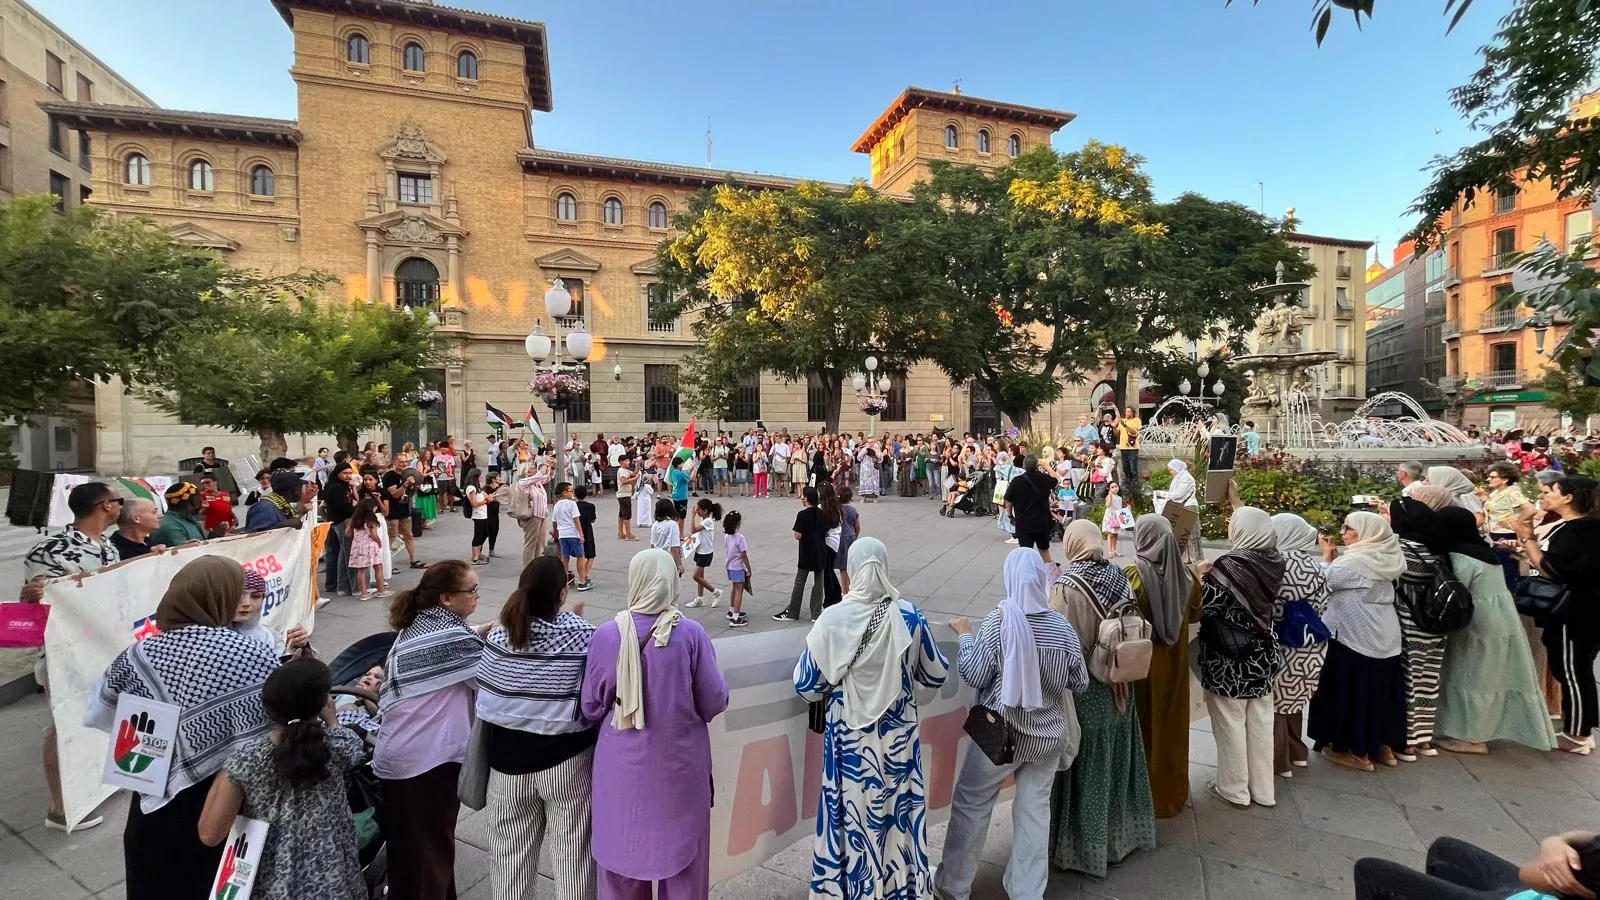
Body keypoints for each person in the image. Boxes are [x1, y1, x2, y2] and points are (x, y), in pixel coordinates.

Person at [84, 556, 278, 899]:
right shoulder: (248, 652)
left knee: (154, 883)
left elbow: (99, 711)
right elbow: (271, 729)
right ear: (221, 597)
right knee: (213, 884)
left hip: (151, 798)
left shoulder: (139, 655)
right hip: (224, 799)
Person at [794, 538, 949, 898]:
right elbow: (936, 673)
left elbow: (807, 684)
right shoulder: (908, 615)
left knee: (851, 817)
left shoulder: (832, 619)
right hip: (899, 746)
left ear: (852, 569)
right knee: (899, 814)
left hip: (850, 745)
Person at [937, 549, 1089, 900]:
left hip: (1001, 736)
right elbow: (1079, 683)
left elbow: (974, 673)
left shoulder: (999, 622)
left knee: (973, 804)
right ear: (1040, 579)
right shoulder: (1061, 627)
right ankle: (1027, 891)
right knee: (1035, 812)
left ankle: (953, 885)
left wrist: (965, 636)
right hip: (1048, 737)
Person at [582, 549, 730, 899]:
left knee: (621, 867)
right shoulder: (691, 634)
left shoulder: (607, 635)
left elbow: (591, 705)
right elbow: (714, 701)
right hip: (679, 768)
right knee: (684, 870)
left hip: (621, 770)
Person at [476, 556, 600, 900]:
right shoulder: (583, 635)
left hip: (505, 768)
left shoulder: (500, 634)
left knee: (508, 861)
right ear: (563, 593)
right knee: (573, 859)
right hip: (567, 764)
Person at [197, 657, 366, 900]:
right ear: (321, 703)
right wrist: (332, 718)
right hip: (334, 882)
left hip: (273, 886)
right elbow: (349, 747)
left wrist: (227, 769)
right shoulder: (339, 746)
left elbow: (210, 834)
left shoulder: (246, 760)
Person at [1048, 520, 1157, 877]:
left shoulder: (1067, 585)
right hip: (1121, 684)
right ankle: (1121, 836)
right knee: (1116, 760)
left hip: (1089, 690)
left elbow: (1059, 640)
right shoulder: (1118, 575)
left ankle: (1084, 848)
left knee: (1089, 765)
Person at [375, 560, 485, 900]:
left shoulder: (420, 626)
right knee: (427, 857)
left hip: (405, 759)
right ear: (447, 599)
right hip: (425, 764)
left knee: (419, 854)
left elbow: (463, 641)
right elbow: (489, 679)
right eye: (472, 591)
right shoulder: (450, 637)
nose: (477, 597)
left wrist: (490, 627)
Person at [21, 481, 123, 833]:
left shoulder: (108, 546)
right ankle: (59, 808)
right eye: (118, 501)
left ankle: (96, 782)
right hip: (65, 655)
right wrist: (32, 592)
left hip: (104, 647)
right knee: (63, 724)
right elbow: (33, 602)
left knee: (100, 715)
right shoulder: (50, 550)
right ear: (105, 506)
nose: (121, 507)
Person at [1427, 506, 1558, 754]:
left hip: (1477, 624)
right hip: (1502, 620)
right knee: (1491, 676)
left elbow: (1455, 592)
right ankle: (1482, 730)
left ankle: (1469, 737)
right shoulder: (1484, 551)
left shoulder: (1459, 556)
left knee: (1469, 677)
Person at [1195, 507, 1285, 810]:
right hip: (1262, 656)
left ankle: (1234, 789)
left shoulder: (1230, 566)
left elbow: (1206, 607)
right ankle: (1264, 790)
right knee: (1261, 724)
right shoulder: (1274, 560)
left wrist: (1200, 578)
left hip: (1230, 660)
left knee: (1230, 724)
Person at [1307, 511, 1408, 771]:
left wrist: (1326, 558)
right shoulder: (1388, 557)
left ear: (1365, 534)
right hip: (1385, 637)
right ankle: (1381, 745)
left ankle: (1351, 750)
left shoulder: (1354, 564)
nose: (1343, 533)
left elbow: (1319, 582)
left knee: (1349, 694)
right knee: (1380, 693)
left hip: (1353, 638)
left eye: (1348, 528)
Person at [1512, 474, 1600, 754]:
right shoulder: (1576, 527)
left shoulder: (1580, 530)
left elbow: (1554, 568)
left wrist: (1527, 540)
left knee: (1573, 669)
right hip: (1575, 607)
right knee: (1570, 668)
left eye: (1551, 490)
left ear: (1568, 497)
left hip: (1575, 610)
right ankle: (1578, 727)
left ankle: (1578, 734)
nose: (1545, 495)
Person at [1128, 515, 1197, 818]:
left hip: (1142, 669)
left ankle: (1140, 798)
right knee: (1171, 727)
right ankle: (1170, 795)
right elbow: (1195, 615)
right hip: (1174, 667)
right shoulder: (1188, 579)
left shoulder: (1133, 576)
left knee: (1143, 728)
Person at [1268, 513, 1333, 777]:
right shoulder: (1315, 566)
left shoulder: (1275, 564)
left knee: (1275, 704)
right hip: (1310, 643)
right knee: (1294, 701)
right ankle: (1298, 753)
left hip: (1281, 641)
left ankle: (1279, 761)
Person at [1353, 832, 1600, 900]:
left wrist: (1550, 850)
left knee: (1373, 873)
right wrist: (1558, 842)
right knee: (1444, 849)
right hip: (1534, 892)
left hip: (1537, 888)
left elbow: (1530, 875)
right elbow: (1587, 836)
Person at [1392, 495, 1454, 759]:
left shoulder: (1401, 549)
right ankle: (1425, 738)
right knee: (1428, 680)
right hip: (1434, 623)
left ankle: (1407, 739)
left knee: (1407, 680)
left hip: (1407, 621)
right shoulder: (1437, 549)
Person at [1484, 460, 1538, 589]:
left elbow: (1530, 509)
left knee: (1509, 569)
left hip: (1507, 535)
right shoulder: (1496, 492)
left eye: (1493, 477)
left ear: (1505, 479)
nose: (1488, 479)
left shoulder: (1512, 492)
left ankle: (1515, 595)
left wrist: (1517, 522)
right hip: (1495, 534)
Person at [1003, 455, 1060, 563]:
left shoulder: (1017, 481)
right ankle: (1050, 575)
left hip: (1024, 522)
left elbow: (1008, 500)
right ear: (1037, 465)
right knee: (1044, 550)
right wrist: (1047, 467)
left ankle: (1028, 575)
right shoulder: (1045, 479)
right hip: (1042, 521)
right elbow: (1058, 480)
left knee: (1026, 552)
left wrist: (1010, 515)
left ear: (1024, 465)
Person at [684, 497, 723, 608]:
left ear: (705, 511)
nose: (697, 511)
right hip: (701, 550)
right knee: (701, 575)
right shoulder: (705, 520)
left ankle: (715, 591)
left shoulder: (707, 521)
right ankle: (700, 598)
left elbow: (694, 529)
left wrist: (692, 516)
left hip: (705, 552)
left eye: (699, 509)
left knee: (696, 576)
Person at [347, 496, 388, 599]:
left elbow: (347, 533)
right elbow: (374, 534)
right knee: (378, 567)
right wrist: (379, 542)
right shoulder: (371, 519)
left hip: (358, 546)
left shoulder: (355, 519)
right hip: (371, 546)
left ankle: (364, 593)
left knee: (361, 571)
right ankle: (381, 591)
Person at [152, 481, 210, 546]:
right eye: (200, 497)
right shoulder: (170, 526)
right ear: (192, 502)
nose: (203, 501)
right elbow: (185, 554)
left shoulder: (188, 519)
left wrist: (214, 537)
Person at [723, 510, 752, 628]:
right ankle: (735, 617)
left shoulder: (726, 536)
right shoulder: (740, 538)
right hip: (738, 567)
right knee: (739, 590)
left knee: (734, 588)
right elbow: (744, 554)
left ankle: (731, 610)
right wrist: (748, 569)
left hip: (729, 565)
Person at [550, 481, 582, 583]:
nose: (572, 493)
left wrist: (556, 534)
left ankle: (564, 579)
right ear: (564, 493)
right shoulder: (572, 504)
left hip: (562, 535)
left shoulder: (556, 505)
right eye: (570, 491)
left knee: (565, 557)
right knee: (580, 555)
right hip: (573, 533)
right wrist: (581, 534)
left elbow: (554, 522)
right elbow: (576, 520)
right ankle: (582, 579)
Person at [835, 487, 860, 593]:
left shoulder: (837, 509)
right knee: (851, 565)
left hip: (840, 538)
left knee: (843, 568)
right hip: (851, 537)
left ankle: (845, 591)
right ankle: (853, 587)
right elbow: (857, 526)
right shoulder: (853, 510)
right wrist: (855, 536)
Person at [575, 483, 598, 591]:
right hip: (587, 532)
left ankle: (582, 576)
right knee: (591, 555)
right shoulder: (590, 506)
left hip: (576, 532)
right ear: (586, 495)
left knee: (581, 555)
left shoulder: (573, 506)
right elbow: (593, 519)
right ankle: (583, 576)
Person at [1116, 405, 1142, 494]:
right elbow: (1117, 433)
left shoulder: (1136, 420)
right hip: (1123, 447)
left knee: (1133, 468)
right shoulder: (1123, 421)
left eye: (1129, 411)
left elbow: (1134, 432)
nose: (1127, 413)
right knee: (1125, 468)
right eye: (1126, 411)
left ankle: (1134, 486)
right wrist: (1113, 427)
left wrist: (1125, 425)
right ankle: (1127, 486)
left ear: (1133, 412)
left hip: (1132, 448)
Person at [1101, 481, 1131, 557]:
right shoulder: (1109, 496)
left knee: (1115, 534)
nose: (1115, 488)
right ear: (1109, 489)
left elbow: (1119, 508)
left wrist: (1126, 508)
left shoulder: (1119, 498)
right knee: (1110, 534)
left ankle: (1114, 550)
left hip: (1117, 516)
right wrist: (1110, 495)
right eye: (1112, 487)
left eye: (1116, 486)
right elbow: (1108, 505)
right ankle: (1110, 551)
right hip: (1111, 516)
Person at [616, 455, 638, 541]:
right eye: (626, 461)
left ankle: (621, 533)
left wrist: (638, 464)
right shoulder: (621, 471)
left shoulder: (625, 470)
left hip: (624, 495)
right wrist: (635, 479)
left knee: (622, 515)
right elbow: (623, 481)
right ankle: (628, 534)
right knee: (627, 516)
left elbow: (635, 473)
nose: (628, 462)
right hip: (624, 495)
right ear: (621, 462)